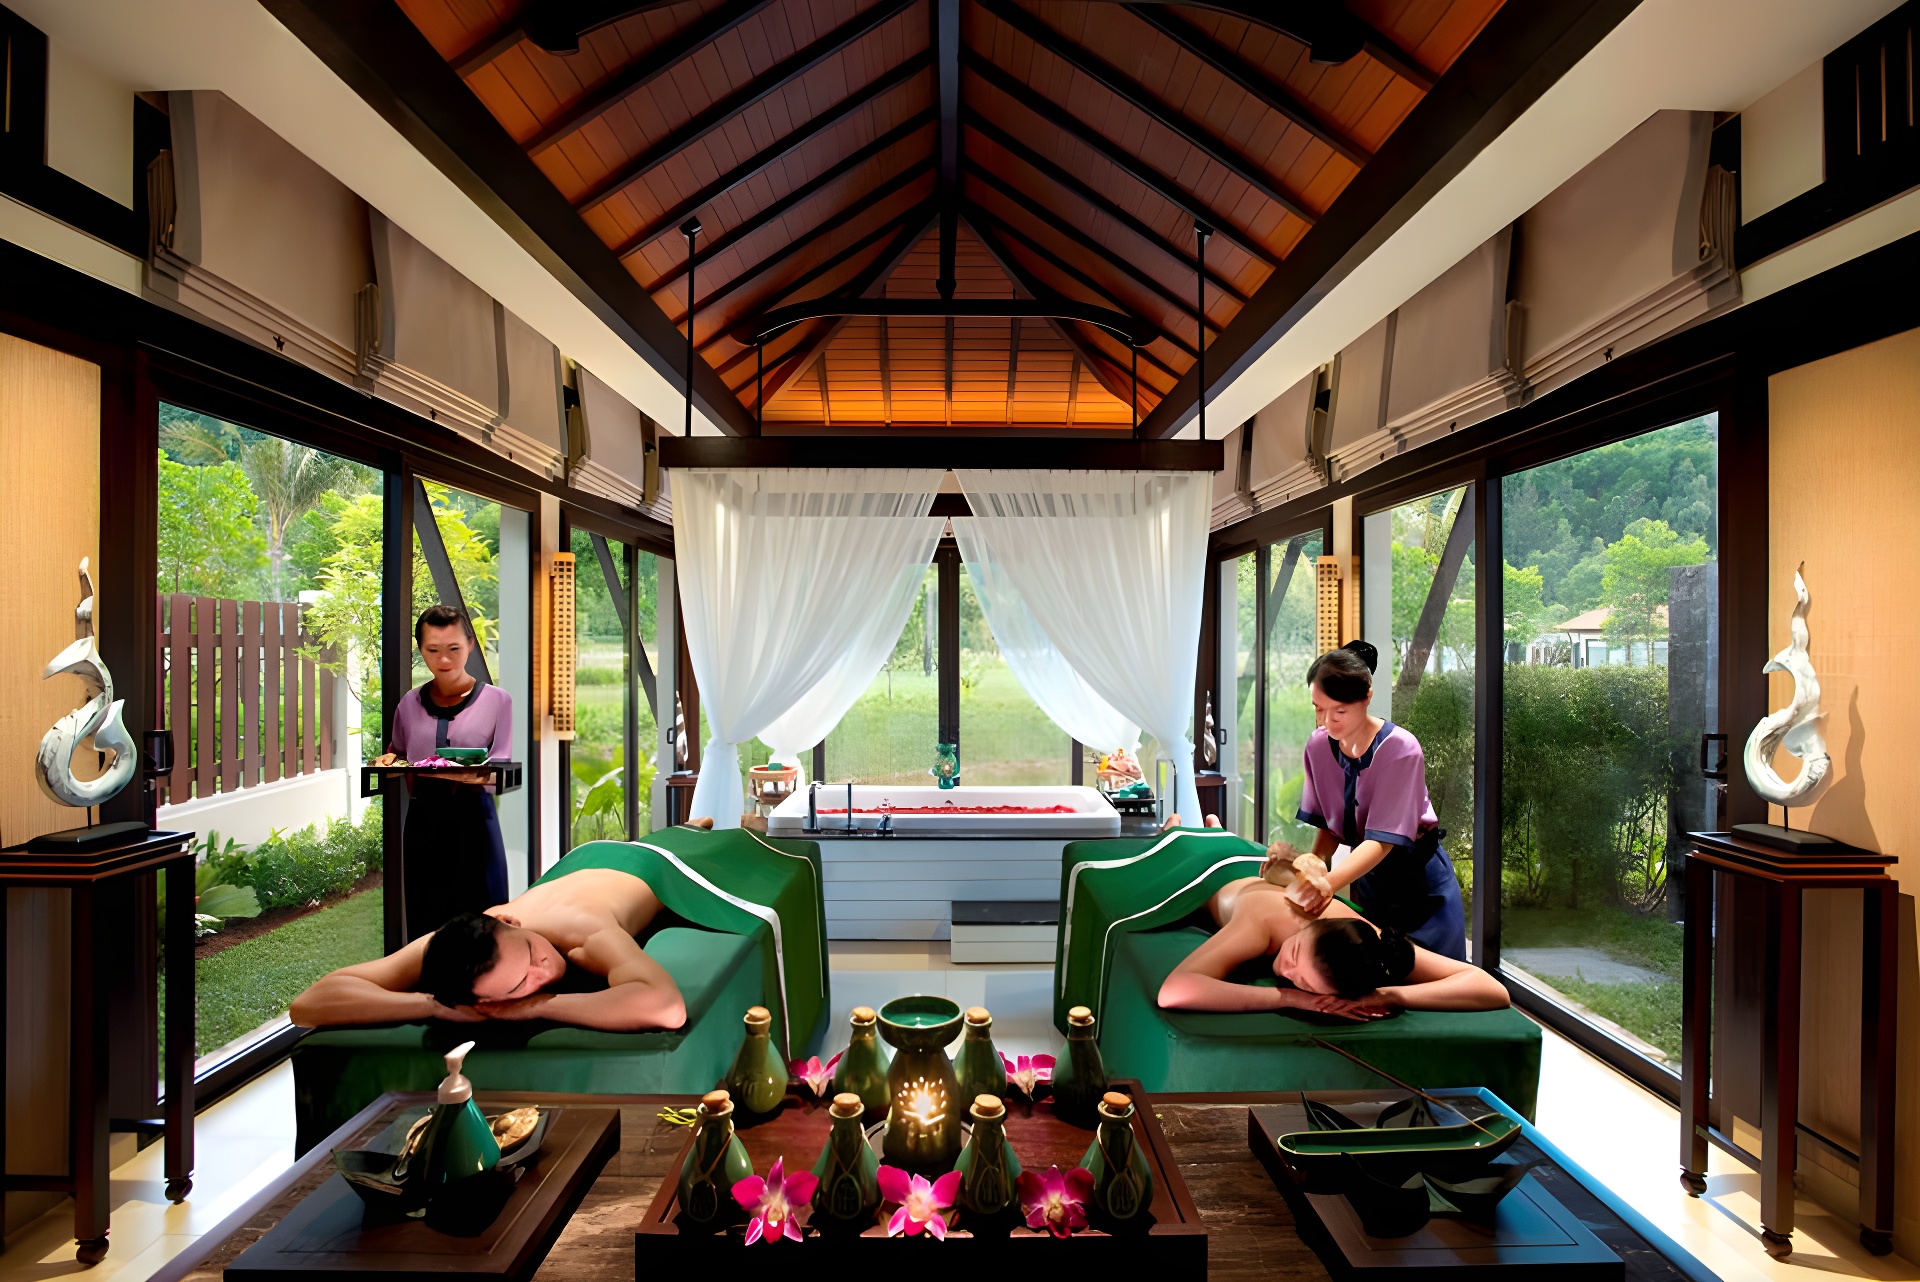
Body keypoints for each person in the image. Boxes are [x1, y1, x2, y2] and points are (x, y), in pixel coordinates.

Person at [288, 858, 686, 1031]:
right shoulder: (451, 946)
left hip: (649, 867)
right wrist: (429, 1006)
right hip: (571, 872)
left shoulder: (586, 931)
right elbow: (308, 1004)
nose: (544, 969)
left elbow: (666, 1007)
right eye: (519, 985)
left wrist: (534, 1004)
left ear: (507, 921)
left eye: (531, 952)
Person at [1156, 847, 1508, 1019]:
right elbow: (1174, 990)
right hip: (1214, 871)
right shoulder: (1263, 923)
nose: (1285, 970)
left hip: (1270, 876)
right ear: (1316, 925)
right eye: (1294, 954)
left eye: (1304, 983)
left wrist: (1390, 996)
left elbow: (1491, 988)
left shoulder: (1367, 943)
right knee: (1183, 844)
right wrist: (1294, 998)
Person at [1287, 641, 1469, 959]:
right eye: (1318, 708)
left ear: (1366, 697)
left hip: (1419, 885)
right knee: (1368, 979)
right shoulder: (1318, 747)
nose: (1326, 722)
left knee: (1432, 984)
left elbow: (1383, 841)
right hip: (1369, 883)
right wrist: (1312, 872)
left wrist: (1328, 885)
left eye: (1340, 711)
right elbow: (1331, 827)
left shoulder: (1401, 749)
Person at [375, 604, 513, 938]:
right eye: (432, 650)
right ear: (421, 650)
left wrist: (467, 773)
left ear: (470, 645)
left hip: (475, 822)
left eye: (454, 649)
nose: (445, 660)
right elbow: (399, 754)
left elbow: (503, 768)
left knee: (485, 922)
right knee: (426, 922)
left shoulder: (498, 701)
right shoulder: (408, 703)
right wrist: (384, 762)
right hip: (423, 824)